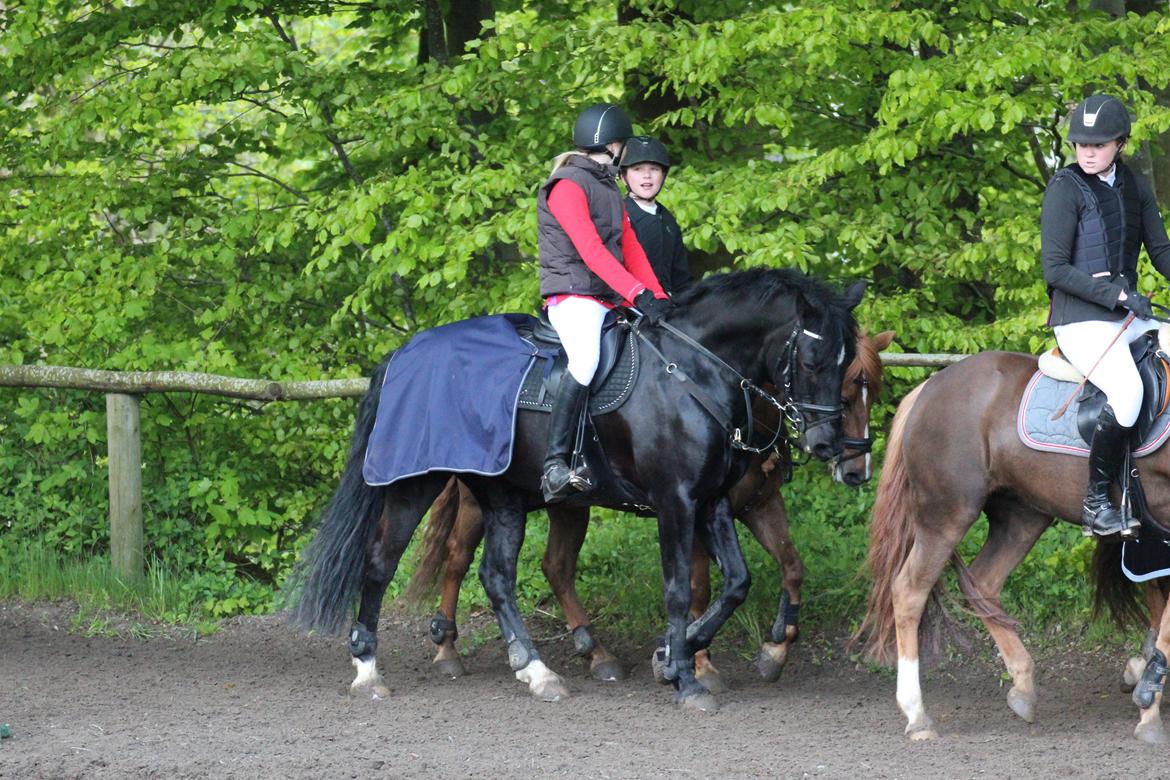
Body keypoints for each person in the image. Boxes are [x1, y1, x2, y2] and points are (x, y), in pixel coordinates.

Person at [1041, 94, 1170, 538]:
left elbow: (1161, 251)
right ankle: (1097, 502)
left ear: (1120, 143)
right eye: (1080, 145)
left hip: (1124, 317)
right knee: (1128, 390)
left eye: (1097, 145)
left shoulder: (1133, 183)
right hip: (1080, 320)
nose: (1087, 153)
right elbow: (1055, 270)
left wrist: (1128, 301)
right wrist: (1118, 296)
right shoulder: (1064, 188)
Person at [537, 104, 671, 502]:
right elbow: (593, 252)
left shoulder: (608, 186)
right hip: (573, 297)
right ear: (613, 145)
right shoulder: (567, 186)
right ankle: (556, 463)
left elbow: (631, 249)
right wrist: (637, 294)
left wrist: (660, 300)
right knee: (585, 361)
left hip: (606, 297)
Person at [619, 136, 692, 295]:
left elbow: (681, 279)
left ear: (663, 175)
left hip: (665, 306)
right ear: (624, 176)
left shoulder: (668, 220)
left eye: (654, 169)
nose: (647, 175)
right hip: (626, 306)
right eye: (637, 169)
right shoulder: (616, 215)